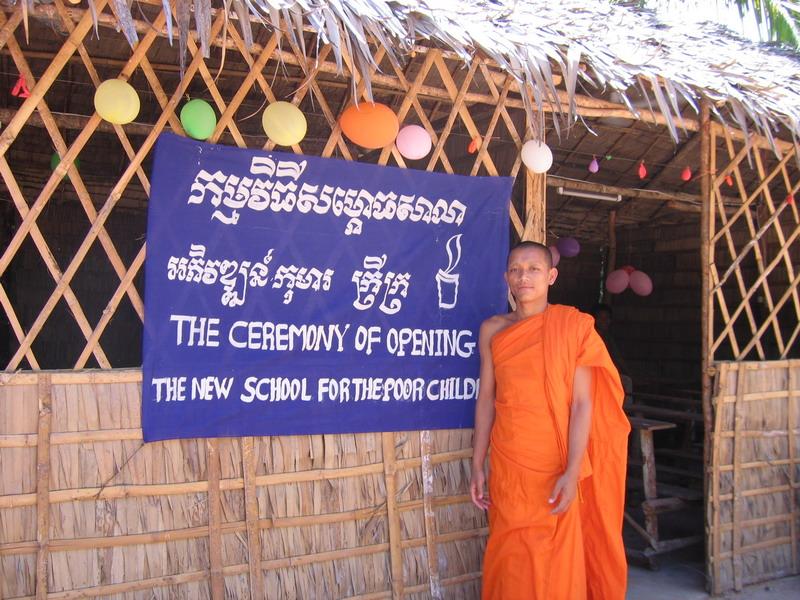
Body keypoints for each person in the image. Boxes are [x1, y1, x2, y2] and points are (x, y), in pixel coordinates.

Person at [470, 241, 631, 600]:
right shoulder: (493, 329)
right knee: (511, 553)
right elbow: (486, 399)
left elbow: (583, 404)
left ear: (551, 276)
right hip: (510, 461)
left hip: (555, 463)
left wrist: (574, 471)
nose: (523, 276)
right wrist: (477, 462)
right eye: (515, 269)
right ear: (506, 277)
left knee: (556, 557)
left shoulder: (572, 327)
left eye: (533, 269)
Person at [590, 303, 630, 377]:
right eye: (600, 317)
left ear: (610, 320)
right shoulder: (590, 337)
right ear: (594, 319)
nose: (604, 320)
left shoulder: (608, 338)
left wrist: (628, 373)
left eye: (607, 318)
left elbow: (617, 357)